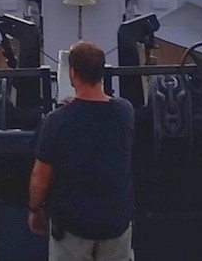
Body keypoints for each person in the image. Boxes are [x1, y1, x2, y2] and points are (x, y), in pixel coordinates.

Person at [27, 40, 135, 261]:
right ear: (101, 73)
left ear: (72, 74)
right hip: (116, 223)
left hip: (73, 226)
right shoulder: (125, 111)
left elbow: (40, 177)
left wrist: (34, 209)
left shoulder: (56, 121)